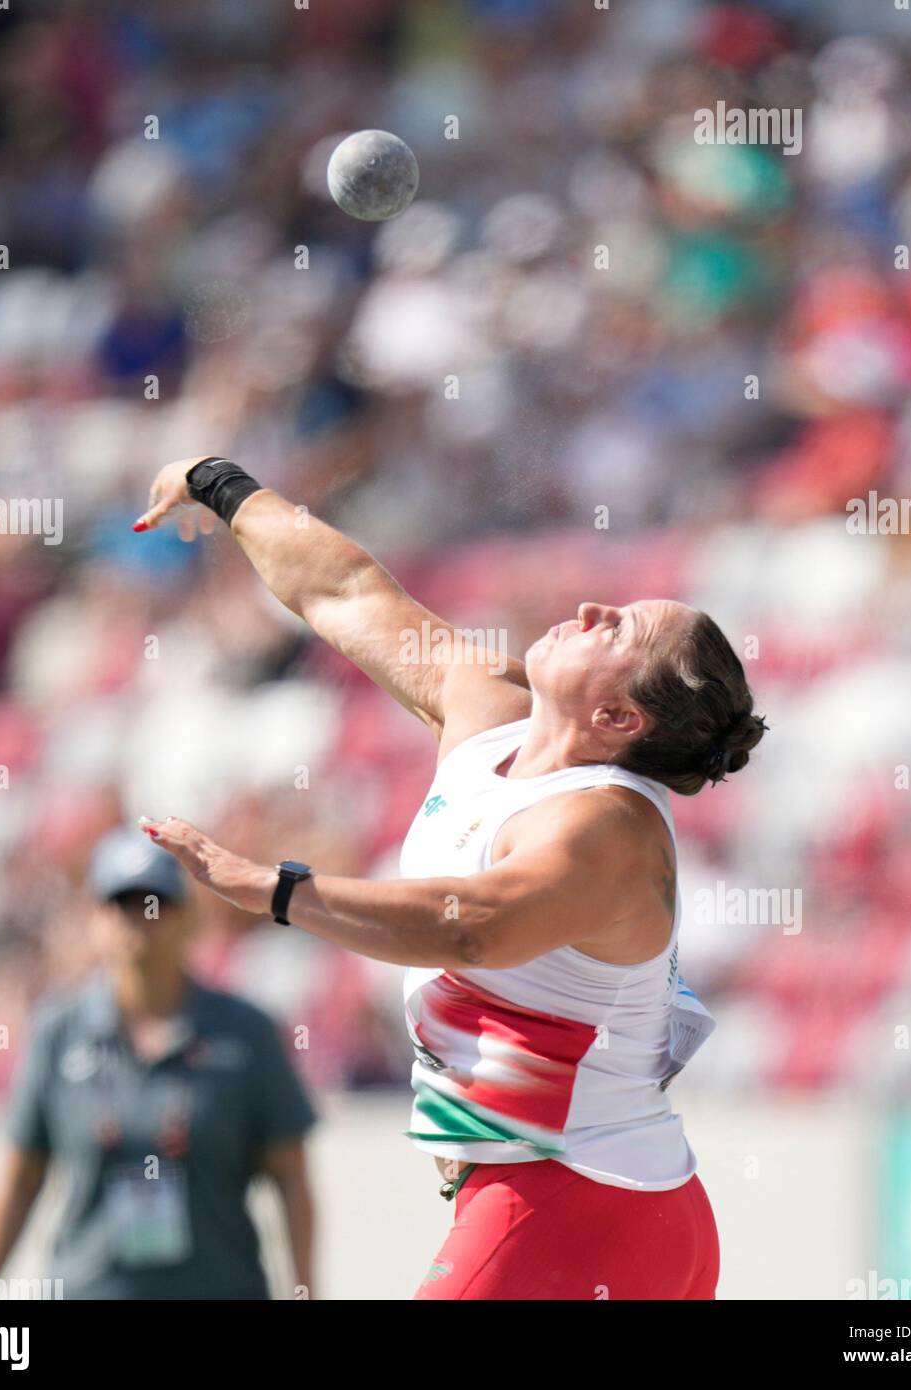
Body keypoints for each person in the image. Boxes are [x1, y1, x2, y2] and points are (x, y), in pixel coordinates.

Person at [133, 455, 768, 1301]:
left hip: (578, 1202)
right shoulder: (490, 710)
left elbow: (471, 925)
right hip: (583, 1208)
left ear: (619, 718)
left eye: (618, 629)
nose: (590, 608)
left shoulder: (607, 824)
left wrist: (275, 890)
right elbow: (347, 593)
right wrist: (220, 485)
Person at [0, 826, 317, 1300]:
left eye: (155, 903)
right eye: (123, 903)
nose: (139, 920)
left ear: (187, 918)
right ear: (94, 917)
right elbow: (20, 1180)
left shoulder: (246, 1032)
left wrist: (306, 1291)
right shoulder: (58, 1033)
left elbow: (291, 1178)